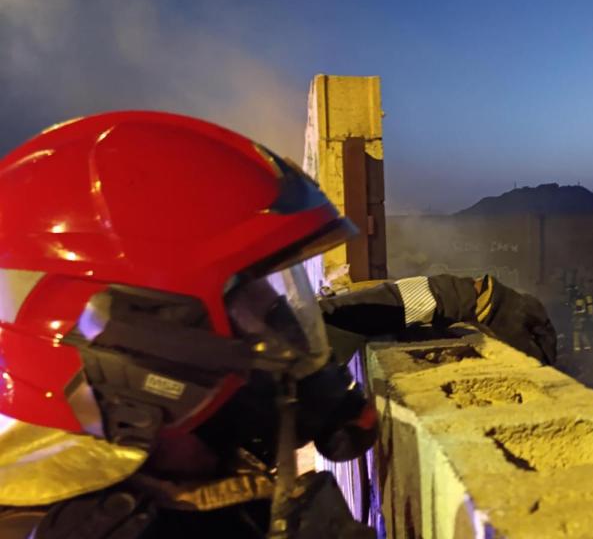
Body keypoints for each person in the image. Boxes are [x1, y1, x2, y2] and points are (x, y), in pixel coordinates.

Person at [0, 111, 556, 538]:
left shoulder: (186, 442)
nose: (286, 332)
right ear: (143, 358)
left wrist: (457, 297)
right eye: (253, 304)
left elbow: (331, 322)